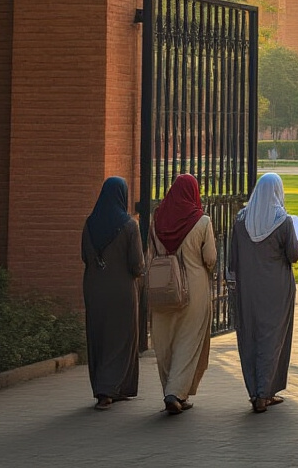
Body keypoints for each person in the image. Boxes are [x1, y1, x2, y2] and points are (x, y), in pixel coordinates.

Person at [230, 172, 298, 413]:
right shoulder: (283, 221)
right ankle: (265, 392)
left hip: (248, 289)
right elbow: (293, 255)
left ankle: (255, 391)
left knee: (249, 336)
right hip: (277, 289)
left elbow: (233, 260)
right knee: (272, 338)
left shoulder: (241, 220)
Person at [150, 174, 216, 415]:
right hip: (194, 288)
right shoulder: (202, 221)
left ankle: (171, 388)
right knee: (188, 340)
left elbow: (150, 252)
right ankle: (176, 392)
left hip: (162, 285)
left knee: (165, 340)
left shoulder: (157, 218)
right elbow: (210, 258)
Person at [80, 177, 144, 410]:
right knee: (121, 338)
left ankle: (103, 387)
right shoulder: (129, 225)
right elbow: (136, 265)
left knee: (100, 336)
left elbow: (84, 257)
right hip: (122, 290)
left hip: (94, 288)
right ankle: (111, 387)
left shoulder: (89, 223)